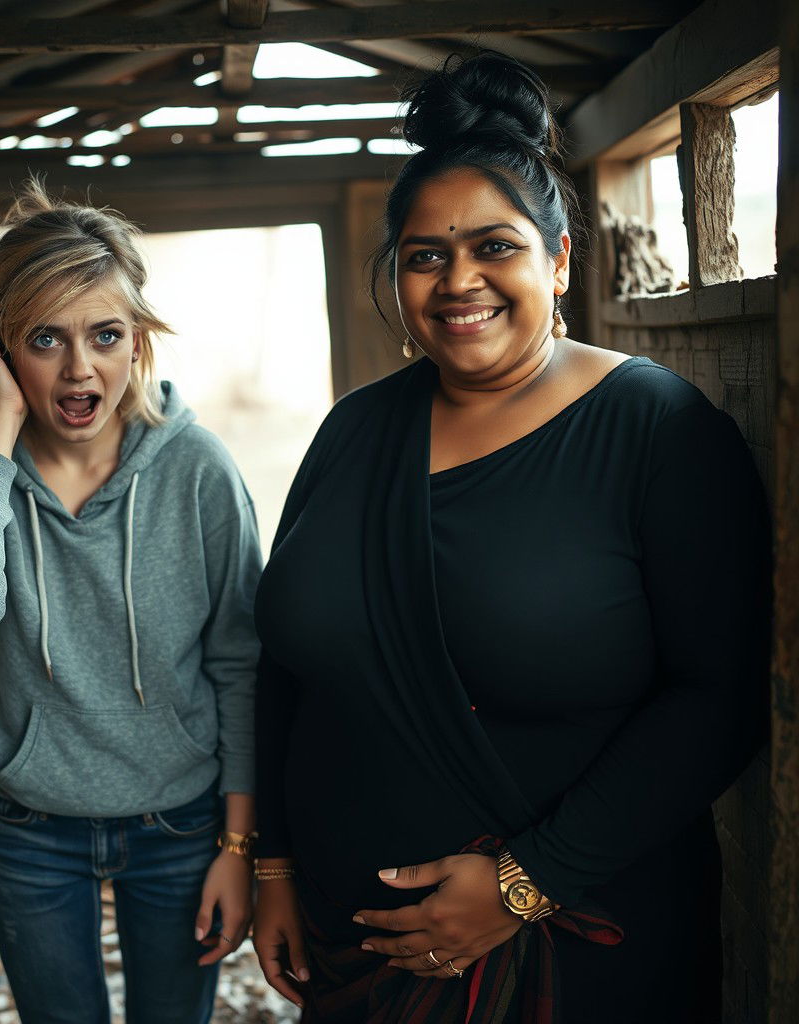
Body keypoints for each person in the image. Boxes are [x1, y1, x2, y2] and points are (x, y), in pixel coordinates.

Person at [251, 52, 770, 1024]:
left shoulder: (654, 430)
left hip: (573, 951)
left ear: (560, 259)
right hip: (350, 947)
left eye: (495, 247)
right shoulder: (356, 430)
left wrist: (523, 882)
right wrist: (270, 860)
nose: (459, 281)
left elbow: (718, 699)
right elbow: (286, 661)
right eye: (424, 255)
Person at [0, 180, 262, 1024]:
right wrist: (1, 423)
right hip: (31, 826)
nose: (79, 367)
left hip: (178, 822)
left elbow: (242, 663)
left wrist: (240, 846)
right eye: (45, 338)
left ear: (139, 343)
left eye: (106, 335)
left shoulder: (198, 470)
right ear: (2, 346)